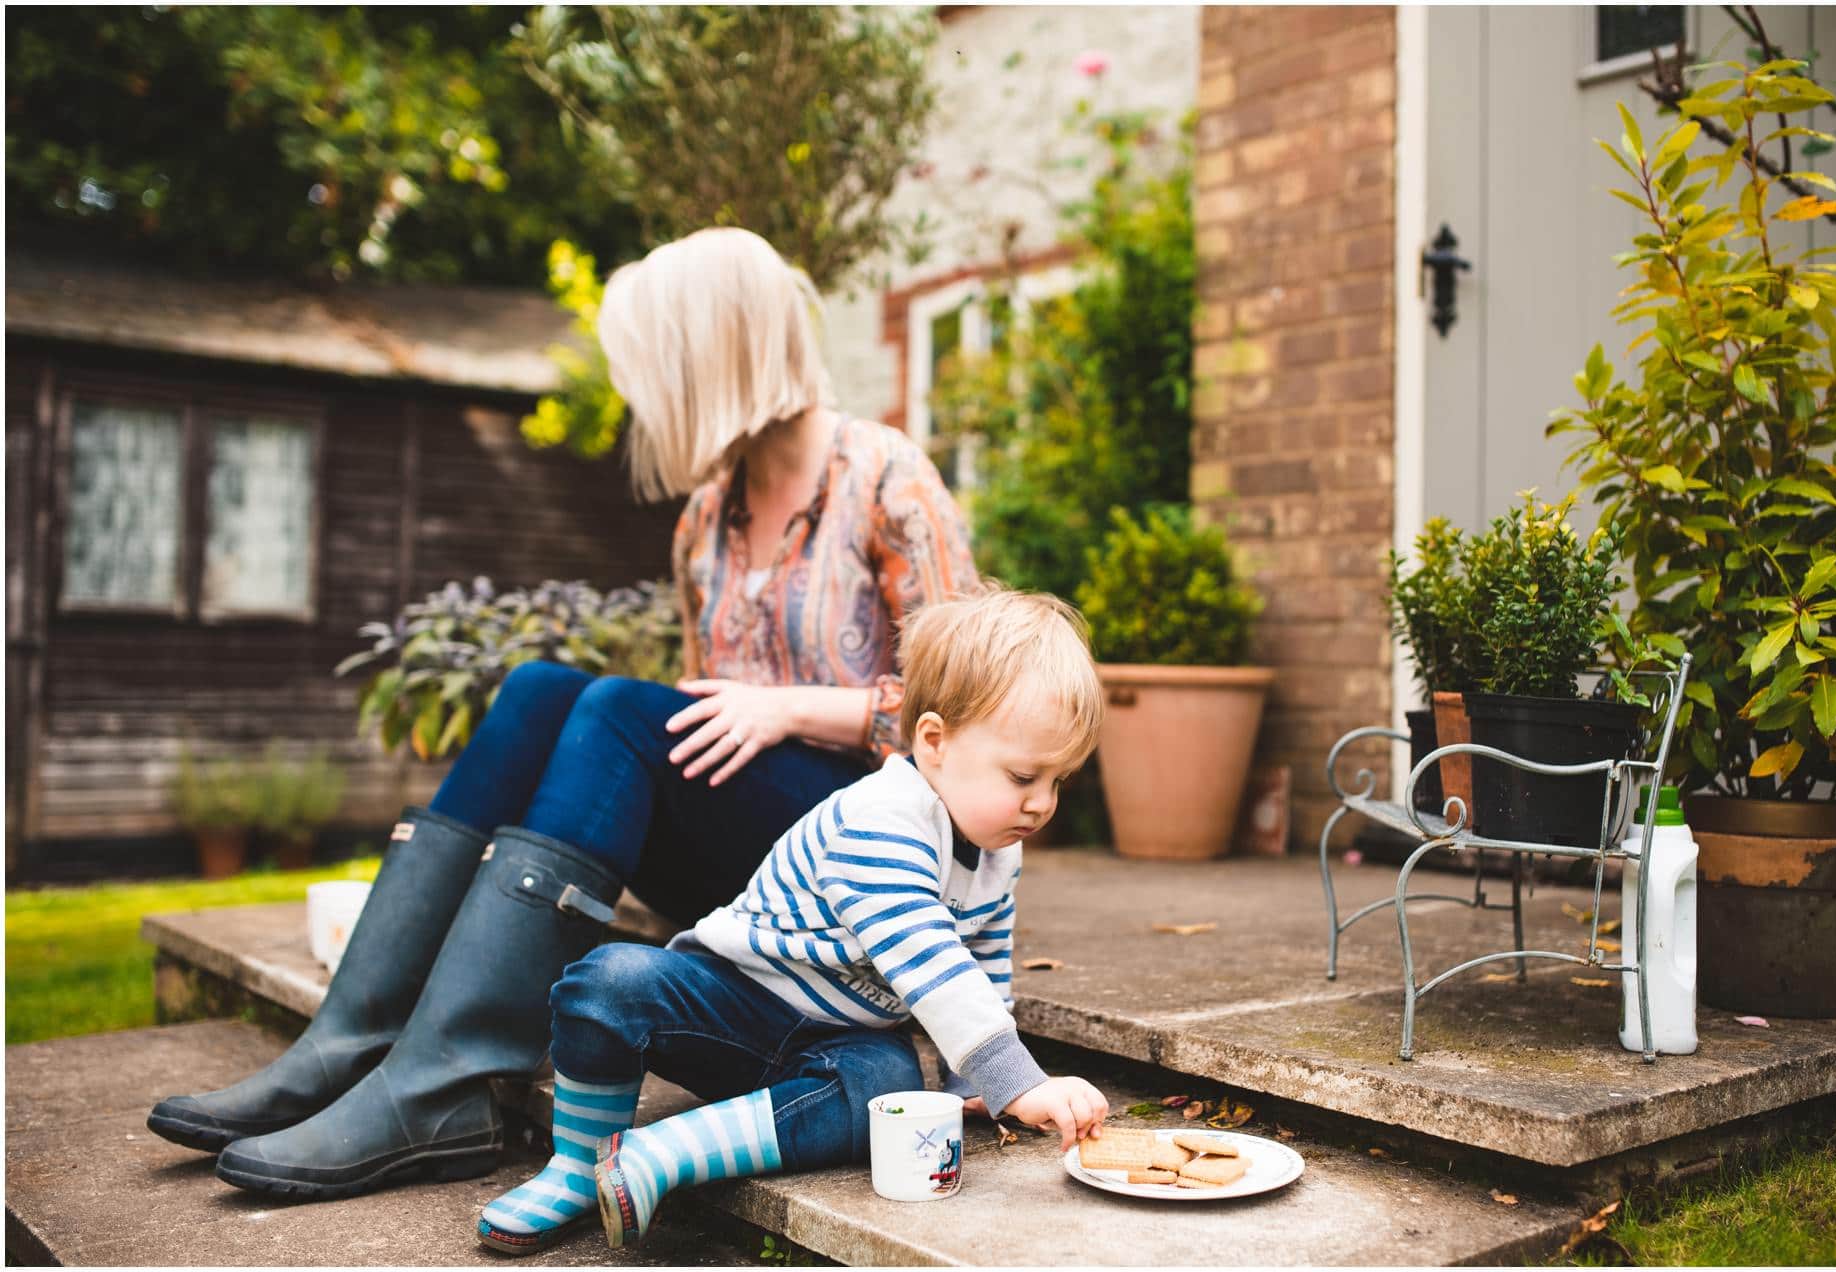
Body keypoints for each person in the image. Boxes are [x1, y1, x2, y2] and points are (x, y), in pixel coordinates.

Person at [145, 227, 980, 1200]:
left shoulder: (888, 480)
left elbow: (966, 718)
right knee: (543, 688)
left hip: (876, 856)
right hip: (757, 860)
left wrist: (789, 707)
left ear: (713, 355)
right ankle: (353, 1041)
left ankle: (433, 1087)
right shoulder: (707, 518)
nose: (640, 396)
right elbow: (699, 723)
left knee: (621, 709)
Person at [475, 587, 1111, 1254]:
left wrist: (971, 1082)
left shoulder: (997, 854)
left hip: (836, 1039)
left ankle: (659, 1155)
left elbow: (981, 961)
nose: (1041, 805)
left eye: (1058, 782)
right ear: (935, 742)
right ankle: (579, 1166)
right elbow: (929, 960)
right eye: (1023, 776)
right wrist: (1017, 1081)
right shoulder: (881, 820)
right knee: (607, 980)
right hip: (729, 1005)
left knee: (884, 1088)